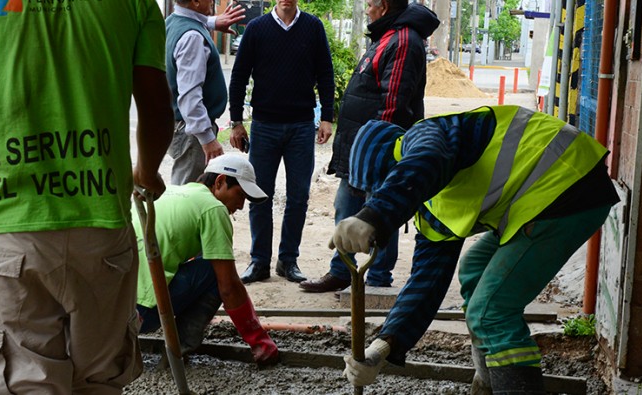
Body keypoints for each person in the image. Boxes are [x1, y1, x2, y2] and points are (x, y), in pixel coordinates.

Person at [0, 1, 174, 393]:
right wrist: (146, 169)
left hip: (8, 237)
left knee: (23, 384)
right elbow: (157, 106)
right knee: (99, 383)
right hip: (101, 233)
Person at [333, 106, 620, 393]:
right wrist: (380, 349)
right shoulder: (431, 207)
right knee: (474, 269)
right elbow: (425, 284)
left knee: (491, 311)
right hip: (544, 198)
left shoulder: (426, 137)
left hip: (569, 185)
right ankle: (486, 386)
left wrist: (373, 216)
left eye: (380, 188)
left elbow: (424, 162)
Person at [300, 1, 440, 293]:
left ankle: (377, 279)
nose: (366, 9)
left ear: (384, 6)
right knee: (346, 208)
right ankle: (342, 271)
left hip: (376, 150)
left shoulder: (403, 42)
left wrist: (376, 150)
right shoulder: (387, 36)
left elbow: (394, 104)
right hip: (358, 148)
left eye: (369, 4)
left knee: (379, 211)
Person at [228, 0, 335, 284]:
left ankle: (288, 260)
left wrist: (327, 117)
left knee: (298, 196)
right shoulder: (256, 28)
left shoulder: (313, 27)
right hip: (264, 125)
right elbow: (239, 76)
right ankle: (259, 261)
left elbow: (325, 73)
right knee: (259, 194)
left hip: (301, 125)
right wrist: (236, 121)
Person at [135, 154, 279, 364]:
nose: (240, 206)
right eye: (240, 195)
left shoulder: (174, 192)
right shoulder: (213, 208)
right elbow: (229, 287)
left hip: (118, 310)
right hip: (143, 314)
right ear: (220, 182)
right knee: (217, 273)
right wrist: (259, 340)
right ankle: (178, 349)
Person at [165, 0, 245, 185]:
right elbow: (190, 96)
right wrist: (207, 138)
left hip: (181, 125)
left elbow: (190, 20)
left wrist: (212, 22)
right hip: (191, 132)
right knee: (187, 194)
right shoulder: (192, 37)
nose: (214, 2)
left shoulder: (172, 22)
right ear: (195, 1)